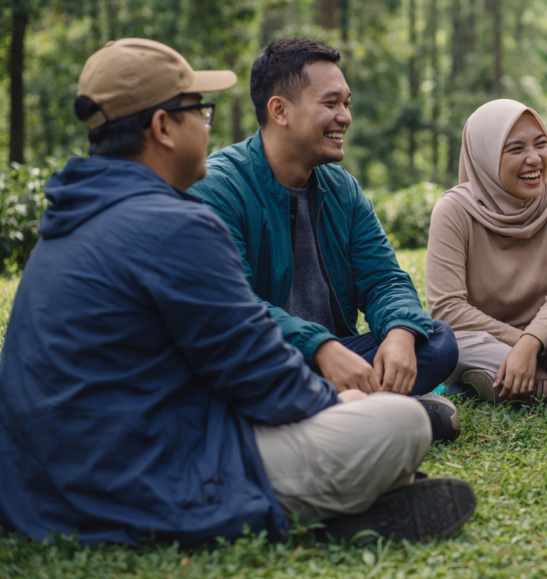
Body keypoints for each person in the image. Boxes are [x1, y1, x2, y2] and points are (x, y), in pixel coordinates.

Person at [0, 38, 475, 546]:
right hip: (137, 477)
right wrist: (333, 397)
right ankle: (334, 509)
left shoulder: (74, 217)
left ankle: (353, 489)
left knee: (431, 342)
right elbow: (250, 360)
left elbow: (221, 351)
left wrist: (395, 335)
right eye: (199, 112)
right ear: (162, 127)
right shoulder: (176, 220)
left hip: (53, 474)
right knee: (400, 425)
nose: (207, 126)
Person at [189, 38, 459, 441]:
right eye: (331, 103)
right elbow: (234, 308)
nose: (345, 117)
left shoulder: (341, 187)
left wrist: (400, 332)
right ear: (280, 110)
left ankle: (339, 411)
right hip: (265, 358)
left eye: (346, 103)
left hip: (339, 359)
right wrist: (320, 347)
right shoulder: (219, 186)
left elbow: (384, 279)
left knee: (437, 341)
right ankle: (380, 412)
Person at [425, 99, 547, 402]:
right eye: (516, 149)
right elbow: (447, 308)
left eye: (541, 144)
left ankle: (488, 383)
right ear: (485, 157)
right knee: (443, 344)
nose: (535, 159)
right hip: (484, 340)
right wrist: (523, 345)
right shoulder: (454, 209)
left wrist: (533, 342)